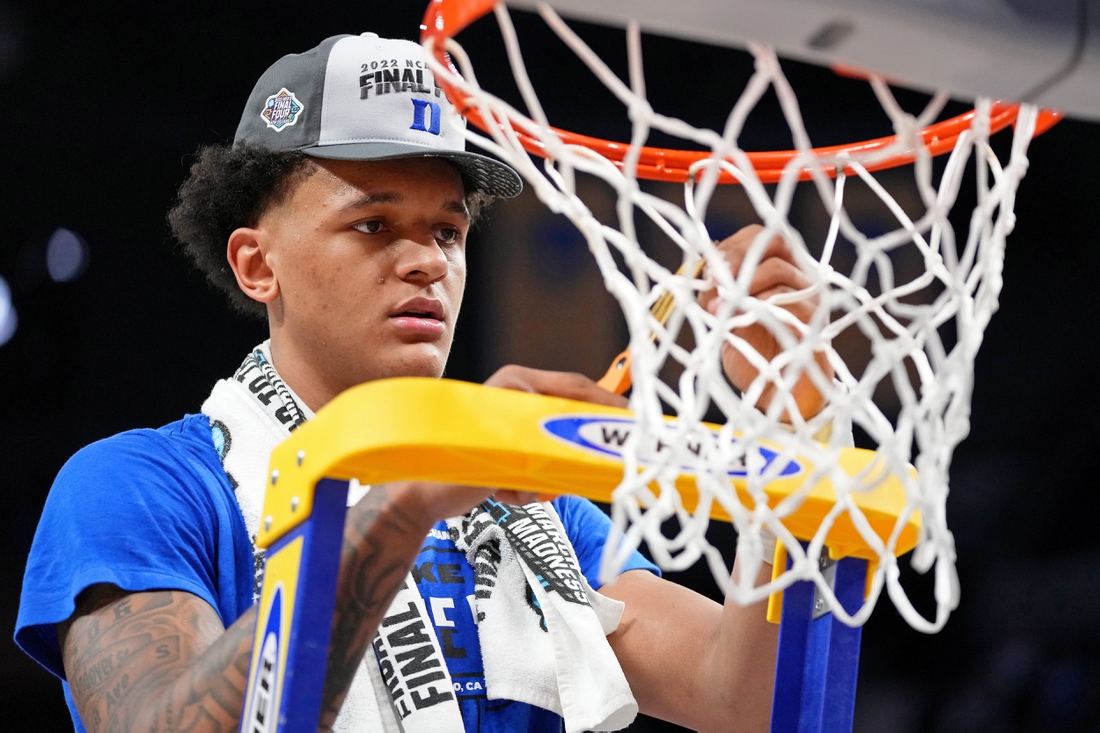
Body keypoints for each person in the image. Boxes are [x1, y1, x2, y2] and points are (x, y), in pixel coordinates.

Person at [16, 33, 831, 733]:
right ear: (256, 264)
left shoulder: (544, 517)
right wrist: (410, 497)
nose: (427, 261)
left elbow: (745, 699)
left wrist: (800, 423)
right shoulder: (141, 486)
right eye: (373, 223)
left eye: (448, 230)